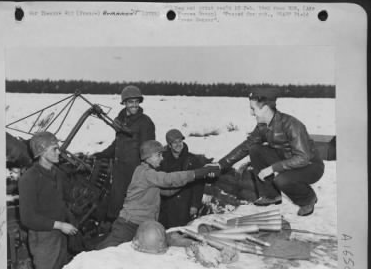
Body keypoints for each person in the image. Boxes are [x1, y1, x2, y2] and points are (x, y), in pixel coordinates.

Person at [214, 87, 324, 216]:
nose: (251, 113)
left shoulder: (292, 124)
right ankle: (271, 195)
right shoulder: (262, 126)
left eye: (253, 109)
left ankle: (308, 199)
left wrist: (272, 168)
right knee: (255, 149)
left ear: (265, 108)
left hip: (310, 166)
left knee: (282, 180)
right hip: (287, 160)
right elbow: (246, 146)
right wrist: (221, 164)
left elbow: (303, 157)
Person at [95, 140, 220, 250]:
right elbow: (168, 179)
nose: (162, 158)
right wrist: (199, 173)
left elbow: (167, 190)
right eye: (159, 155)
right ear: (149, 157)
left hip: (140, 225)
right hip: (129, 225)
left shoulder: (148, 174)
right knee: (105, 252)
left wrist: (190, 180)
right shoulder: (146, 173)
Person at [18, 132, 78, 269]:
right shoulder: (29, 179)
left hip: (61, 236)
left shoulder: (57, 173)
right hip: (43, 238)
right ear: (42, 152)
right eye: (54, 149)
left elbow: (64, 198)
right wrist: (60, 225)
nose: (59, 152)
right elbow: (27, 217)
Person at [93, 85, 155, 222]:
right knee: (116, 199)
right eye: (130, 102)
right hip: (120, 168)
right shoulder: (121, 120)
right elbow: (118, 144)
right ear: (124, 103)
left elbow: (148, 150)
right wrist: (102, 154)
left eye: (136, 102)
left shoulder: (145, 123)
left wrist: (143, 171)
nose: (134, 105)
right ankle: (112, 227)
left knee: (132, 202)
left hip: (135, 170)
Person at [158, 129, 206, 228]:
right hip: (167, 205)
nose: (178, 144)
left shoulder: (192, 160)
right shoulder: (162, 160)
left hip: (185, 204)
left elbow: (198, 185)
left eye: (180, 141)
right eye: (174, 142)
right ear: (169, 145)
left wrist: (195, 205)